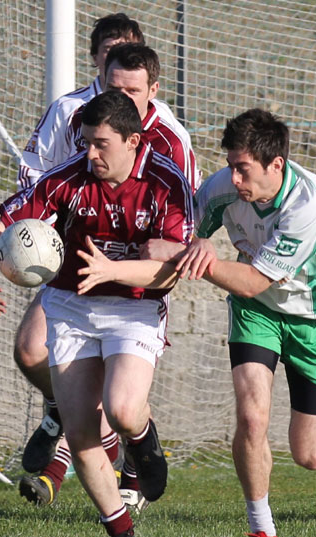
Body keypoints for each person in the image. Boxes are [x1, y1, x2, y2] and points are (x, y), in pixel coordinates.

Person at [80, 108, 316, 537]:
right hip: (254, 313)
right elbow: (183, 238)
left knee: (310, 456)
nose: (234, 178)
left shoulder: (309, 205)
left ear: (276, 166)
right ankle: (261, 528)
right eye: (230, 165)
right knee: (251, 416)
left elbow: (252, 278)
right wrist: (191, 244)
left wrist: (201, 258)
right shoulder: (222, 187)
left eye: (243, 169)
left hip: (313, 317)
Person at [0, 91, 194, 537]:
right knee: (82, 429)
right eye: (86, 141)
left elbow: (170, 272)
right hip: (71, 306)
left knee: (124, 409)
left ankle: (143, 444)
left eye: (101, 143)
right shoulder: (66, 179)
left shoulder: (167, 182)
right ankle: (120, 533)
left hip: (134, 305)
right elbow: (9, 225)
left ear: (133, 140)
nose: (90, 154)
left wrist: (112, 270)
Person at [15, 19, 199, 510]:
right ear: (99, 64)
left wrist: (146, 266)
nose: (124, 96)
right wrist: (11, 247)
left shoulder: (171, 144)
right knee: (30, 351)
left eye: (134, 90)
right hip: (74, 270)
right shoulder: (72, 114)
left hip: (135, 286)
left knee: (123, 401)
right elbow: (35, 188)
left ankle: (130, 454)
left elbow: (180, 241)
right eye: (114, 83)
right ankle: (71, 420)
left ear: (151, 88)